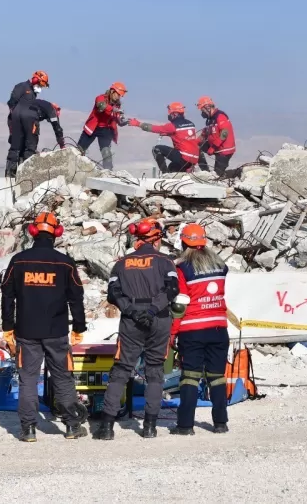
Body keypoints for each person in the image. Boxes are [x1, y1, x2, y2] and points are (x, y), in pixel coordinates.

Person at [1, 212, 89, 442]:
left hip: (26, 331)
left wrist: (8, 326)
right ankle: (72, 426)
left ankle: (28, 429)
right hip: (56, 332)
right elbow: (76, 298)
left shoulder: (19, 261)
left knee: (28, 379)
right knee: (62, 378)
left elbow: (7, 295)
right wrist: (79, 327)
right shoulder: (64, 263)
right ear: (57, 233)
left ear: (33, 231)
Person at [94, 218, 179, 441]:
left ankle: (106, 427)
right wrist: (151, 310)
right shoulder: (165, 261)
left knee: (121, 370)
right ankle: (149, 427)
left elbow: (113, 293)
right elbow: (172, 290)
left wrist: (132, 310)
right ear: (156, 239)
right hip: (158, 318)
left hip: (130, 321)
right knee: (155, 371)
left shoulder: (121, 263)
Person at [170, 224, 230, 435]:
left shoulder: (182, 268)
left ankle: (185, 425)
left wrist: (172, 333)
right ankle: (220, 423)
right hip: (219, 328)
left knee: (190, 377)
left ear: (183, 242)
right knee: (217, 376)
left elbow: (180, 304)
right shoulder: (220, 265)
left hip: (192, 329)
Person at [5, 100, 66, 177]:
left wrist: (13, 136)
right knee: (30, 147)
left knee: (17, 146)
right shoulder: (51, 109)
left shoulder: (37, 104)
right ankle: (25, 173)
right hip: (29, 117)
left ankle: (10, 173)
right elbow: (57, 128)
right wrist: (62, 145)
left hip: (14, 116)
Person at [133, 103, 201, 173]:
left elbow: (154, 128)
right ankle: (185, 173)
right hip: (194, 159)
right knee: (172, 167)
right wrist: (168, 134)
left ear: (175, 114)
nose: (169, 115)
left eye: (170, 114)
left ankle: (165, 173)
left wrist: (138, 124)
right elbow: (182, 135)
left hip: (184, 158)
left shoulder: (172, 126)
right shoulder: (191, 124)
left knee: (156, 149)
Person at [78, 83, 129, 170]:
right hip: (92, 128)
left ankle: (108, 173)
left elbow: (116, 117)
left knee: (107, 153)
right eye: (118, 94)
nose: (118, 97)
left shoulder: (117, 105)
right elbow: (101, 105)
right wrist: (114, 109)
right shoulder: (100, 98)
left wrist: (121, 121)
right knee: (79, 151)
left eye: (120, 96)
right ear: (112, 91)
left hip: (105, 130)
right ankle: (75, 169)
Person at [194, 96, 236, 176]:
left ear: (207, 107)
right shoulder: (210, 120)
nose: (202, 113)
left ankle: (235, 174)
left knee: (217, 175)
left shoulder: (220, 116)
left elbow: (224, 133)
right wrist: (194, 143)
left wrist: (213, 147)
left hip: (224, 150)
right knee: (196, 147)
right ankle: (205, 171)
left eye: (202, 110)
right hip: (216, 147)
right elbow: (204, 134)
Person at [7, 72, 49, 142]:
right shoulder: (21, 86)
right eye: (40, 84)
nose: (40, 87)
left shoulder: (33, 93)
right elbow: (12, 103)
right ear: (35, 80)